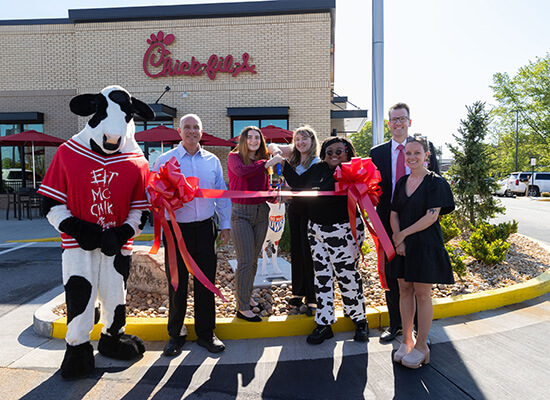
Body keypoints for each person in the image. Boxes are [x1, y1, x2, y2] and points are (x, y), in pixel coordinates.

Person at [152, 114, 231, 356]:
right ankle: (176, 334)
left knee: (206, 282)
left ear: (201, 131)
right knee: (177, 283)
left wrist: (225, 224)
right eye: (187, 127)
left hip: (206, 229)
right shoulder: (165, 160)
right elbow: (152, 194)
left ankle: (206, 334)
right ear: (179, 131)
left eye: (196, 127)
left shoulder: (212, 160)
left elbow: (221, 194)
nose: (192, 131)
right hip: (176, 231)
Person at [283, 137, 368, 344]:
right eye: (329, 152)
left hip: (343, 230)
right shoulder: (319, 168)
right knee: (322, 277)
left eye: (339, 151)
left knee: (347, 276)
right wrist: (283, 163)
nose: (334, 156)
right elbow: (298, 183)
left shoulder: (351, 170)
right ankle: (324, 322)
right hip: (317, 230)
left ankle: (360, 321)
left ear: (348, 152)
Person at [369, 102, 440, 342]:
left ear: (410, 121)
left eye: (402, 118)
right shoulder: (376, 153)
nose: (398, 123)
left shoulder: (423, 149)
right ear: (389, 123)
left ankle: (421, 331)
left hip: (420, 221)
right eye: (393, 119)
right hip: (389, 220)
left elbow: (434, 182)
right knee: (393, 274)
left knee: (418, 275)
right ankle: (396, 324)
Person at [389, 136, 455, 368]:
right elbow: (394, 212)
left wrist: (402, 235)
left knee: (421, 293)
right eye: (408, 153)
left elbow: (431, 216)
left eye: (417, 153)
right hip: (403, 245)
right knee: (404, 289)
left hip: (425, 244)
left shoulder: (436, 183)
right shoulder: (402, 181)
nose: (412, 157)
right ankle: (407, 340)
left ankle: (422, 346)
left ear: (427, 155)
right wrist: (398, 241)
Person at [228, 126, 283, 322]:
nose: (253, 141)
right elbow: (242, 173)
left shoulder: (263, 163)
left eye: (257, 138)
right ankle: (242, 307)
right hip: (241, 214)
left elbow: (264, 187)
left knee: (253, 261)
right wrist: (268, 162)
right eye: (249, 137)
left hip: (262, 212)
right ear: (243, 140)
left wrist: (274, 193)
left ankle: (246, 295)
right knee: (244, 261)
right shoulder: (234, 157)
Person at [268, 125, 320, 316]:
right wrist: (275, 152)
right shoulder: (296, 158)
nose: (300, 143)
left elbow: (298, 184)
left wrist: (284, 164)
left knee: (309, 253)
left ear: (312, 141)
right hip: (295, 210)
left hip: (310, 212)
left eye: (304, 139)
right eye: (297, 139)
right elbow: (271, 145)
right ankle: (298, 292)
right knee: (296, 251)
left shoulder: (316, 162)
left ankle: (313, 297)